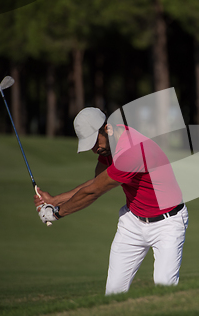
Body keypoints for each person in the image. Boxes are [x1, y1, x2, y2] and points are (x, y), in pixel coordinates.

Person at [34, 107, 188, 295]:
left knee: (165, 292)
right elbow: (96, 182)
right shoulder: (110, 144)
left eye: (94, 142)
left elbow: (94, 191)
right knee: (113, 294)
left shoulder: (132, 151)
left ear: (107, 128)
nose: (94, 149)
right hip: (133, 221)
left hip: (168, 223)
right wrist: (54, 200)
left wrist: (56, 213)